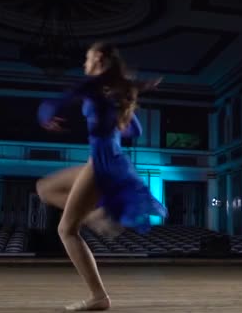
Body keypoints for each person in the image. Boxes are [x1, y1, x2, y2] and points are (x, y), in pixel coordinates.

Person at [35, 42, 168, 311]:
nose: (84, 63)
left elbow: (57, 101)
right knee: (44, 188)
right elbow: (137, 131)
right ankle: (95, 216)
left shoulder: (95, 88)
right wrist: (113, 119)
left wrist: (46, 116)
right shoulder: (112, 94)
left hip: (103, 164)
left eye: (87, 58)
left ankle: (99, 297)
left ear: (98, 59)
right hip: (102, 161)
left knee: (66, 230)